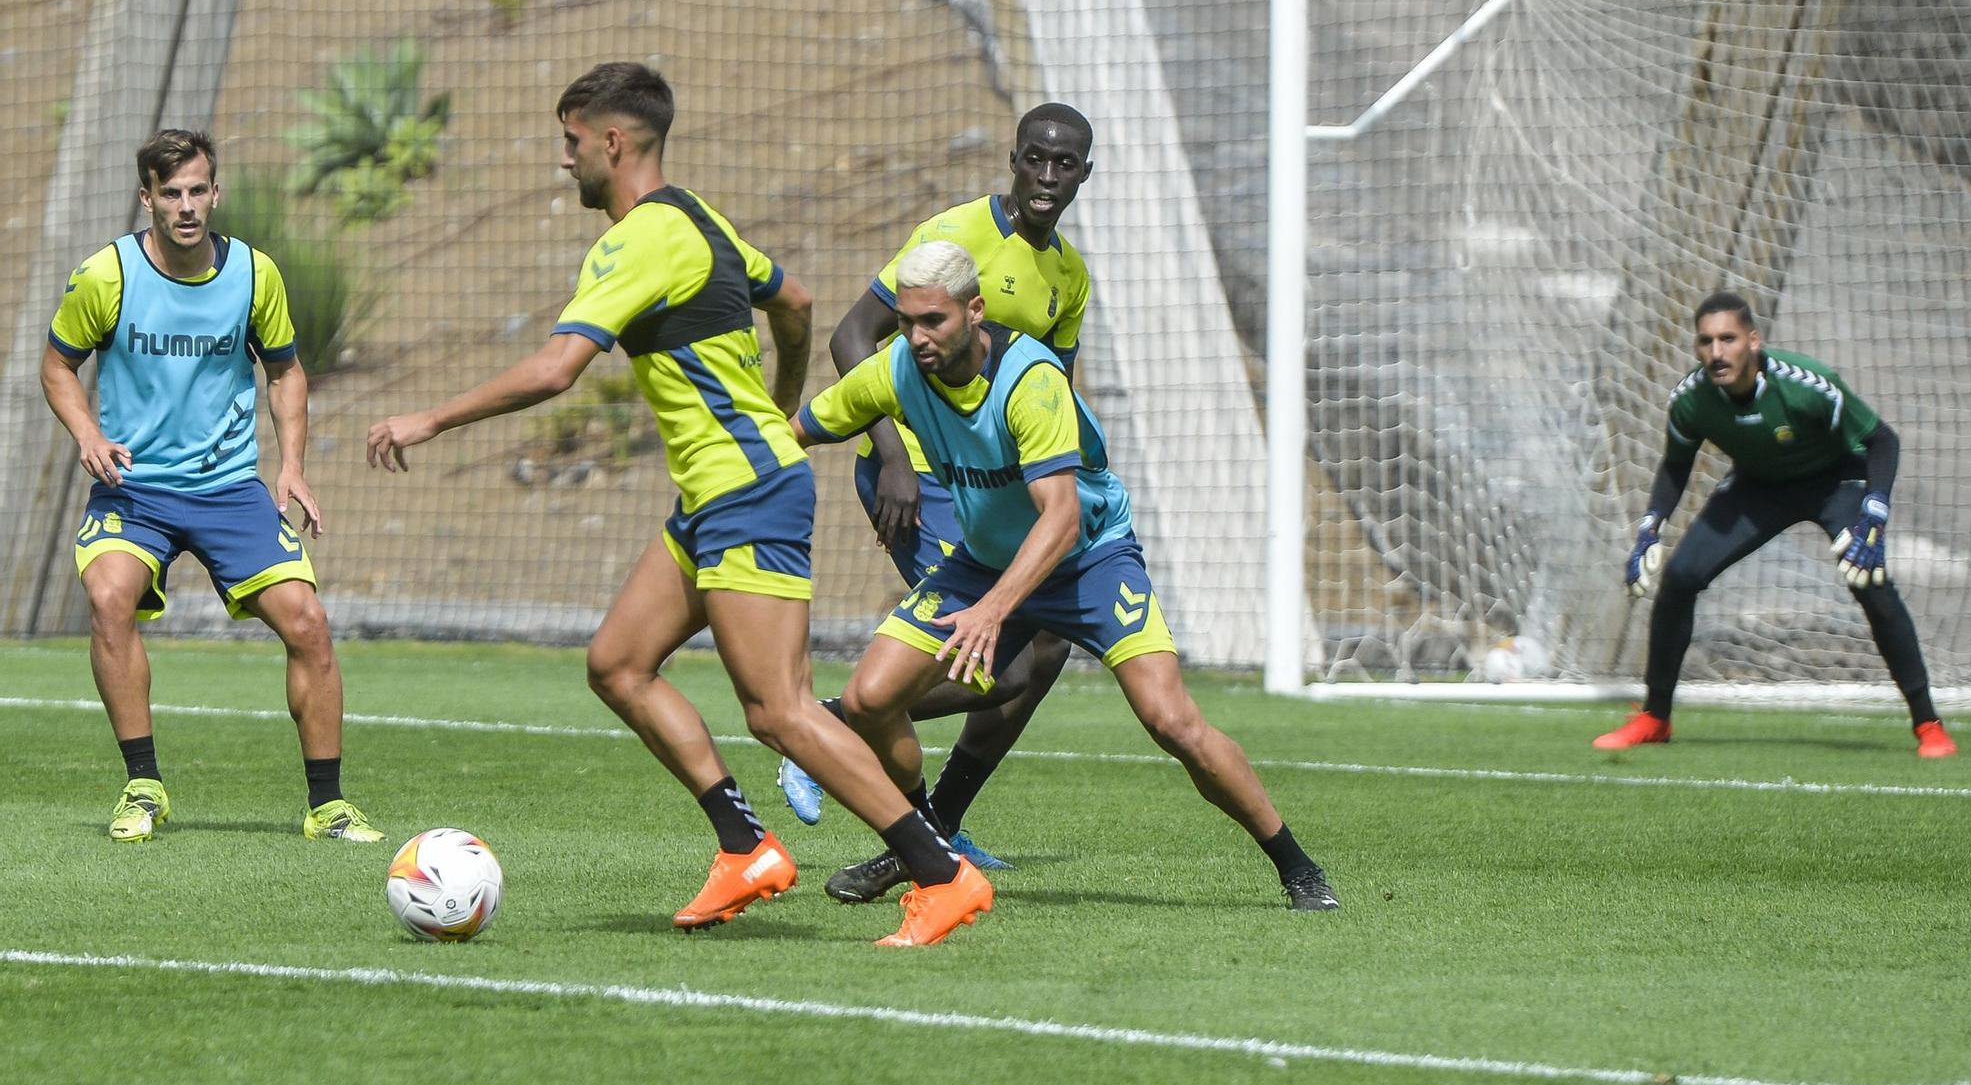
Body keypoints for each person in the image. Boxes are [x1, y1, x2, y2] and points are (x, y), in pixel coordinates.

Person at [364, 62, 990, 946]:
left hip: (746, 492)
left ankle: (941, 872)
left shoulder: (639, 239)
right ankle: (745, 846)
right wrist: (778, 401)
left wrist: (429, 417)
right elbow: (797, 300)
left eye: (572, 144)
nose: (566, 162)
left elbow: (555, 369)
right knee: (618, 662)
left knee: (779, 709)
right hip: (717, 492)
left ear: (612, 141)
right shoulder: (701, 217)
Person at [790, 240, 1341, 913]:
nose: (916, 336)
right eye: (906, 320)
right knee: (871, 697)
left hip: (1089, 556)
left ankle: (1296, 865)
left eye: (932, 320)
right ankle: (924, 849)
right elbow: (802, 428)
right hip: (987, 559)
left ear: (974, 310)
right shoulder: (899, 369)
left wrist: (993, 611)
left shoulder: (1031, 380)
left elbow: (1060, 518)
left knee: (1172, 721)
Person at [776, 104, 1095, 898]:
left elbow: (1051, 394)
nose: (1048, 178)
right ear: (1013, 161)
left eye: (1065, 165)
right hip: (919, 475)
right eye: (1036, 161)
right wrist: (891, 457)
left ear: (1084, 174)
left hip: (996, 488)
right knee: (1009, 662)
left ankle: (937, 824)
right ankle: (833, 721)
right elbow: (853, 335)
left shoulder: (1071, 278)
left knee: (1046, 650)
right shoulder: (955, 235)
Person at [40, 128, 381, 843]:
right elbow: (56, 367)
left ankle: (328, 804)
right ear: (148, 198)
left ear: (215, 192)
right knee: (108, 596)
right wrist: (88, 436)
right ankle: (143, 785)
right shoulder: (109, 275)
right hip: (137, 490)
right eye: (172, 193)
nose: (187, 205)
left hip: (229, 489)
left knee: (308, 622)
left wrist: (290, 464)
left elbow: (285, 370)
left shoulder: (255, 274)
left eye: (199, 189)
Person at [1597, 291, 1955, 758]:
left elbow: (1882, 441)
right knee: (1681, 577)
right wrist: (1650, 527)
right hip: (1758, 487)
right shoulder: (1691, 399)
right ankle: (1654, 717)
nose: (1717, 352)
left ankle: (1928, 724)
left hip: (1835, 481)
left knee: (1872, 582)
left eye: (1728, 339)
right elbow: (1674, 465)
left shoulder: (1810, 384)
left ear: (1753, 341)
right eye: (1705, 341)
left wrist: (1874, 514)